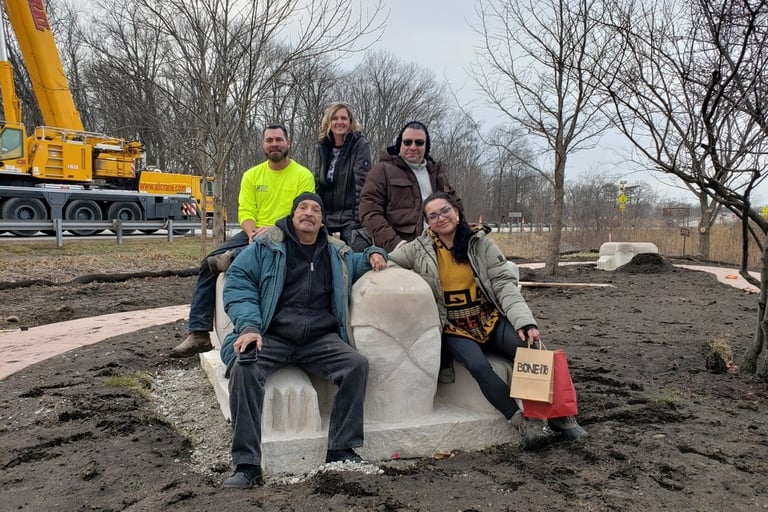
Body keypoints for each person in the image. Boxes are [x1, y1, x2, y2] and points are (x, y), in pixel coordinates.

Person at [388, 192, 588, 451]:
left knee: (531, 349)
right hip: (453, 326)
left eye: (445, 211)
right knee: (479, 366)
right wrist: (380, 257)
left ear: (457, 212)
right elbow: (388, 262)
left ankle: (559, 417)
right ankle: (521, 422)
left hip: (488, 317)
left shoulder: (480, 243)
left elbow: (504, 284)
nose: (441, 218)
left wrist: (524, 322)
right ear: (427, 222)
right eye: (433, 215)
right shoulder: (418, 250)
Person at [218, 192, 387, 488]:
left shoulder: (336, 252)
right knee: (245, 367)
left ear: (322, 220)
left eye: (316, 209)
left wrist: (377, 253)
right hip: (271, 334)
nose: (309, 213)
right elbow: (238, 280)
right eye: (303, 208)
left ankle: (341, 450)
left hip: (319, 340)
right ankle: (247, 465)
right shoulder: (267, 245)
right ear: (293, 214)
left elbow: (362, 260)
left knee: (355, 364)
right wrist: (249, 326)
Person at [169, 125, 315, 358]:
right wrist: (251, 233)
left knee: (259, 250)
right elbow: (246, 211)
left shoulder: (303, 175)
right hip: (254, 233)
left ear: (288, 143)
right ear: (263, 144)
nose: (274, 144)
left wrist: (276, 228)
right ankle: (198, 332)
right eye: (269, 140)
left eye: (279, 139)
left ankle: (236, 256)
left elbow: (302, 212)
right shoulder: (251, 175)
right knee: (208, 263)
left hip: (287, 232)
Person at [358, 120, 460, 252]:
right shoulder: (382, 171)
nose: (413, 147)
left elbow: (456, 206)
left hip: (442, 245)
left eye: (419, 142)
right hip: (400, 249)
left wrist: (460, 229)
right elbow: (369, 212)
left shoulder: (436, 173)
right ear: (399, 144)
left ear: (426, 146)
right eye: (407, 142)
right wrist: (397, 244)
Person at [313, 102, 373, 251]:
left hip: (351, 218)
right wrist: (317, 216)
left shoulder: (360, 145)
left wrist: (359, 221)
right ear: (329, 122)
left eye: (343, 118)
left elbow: (362, 185)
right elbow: (316, 185)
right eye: (335, 118)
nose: (339, 122)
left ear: (350, 122)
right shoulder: (321, 147)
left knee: (359, 250)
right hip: (326, 217)